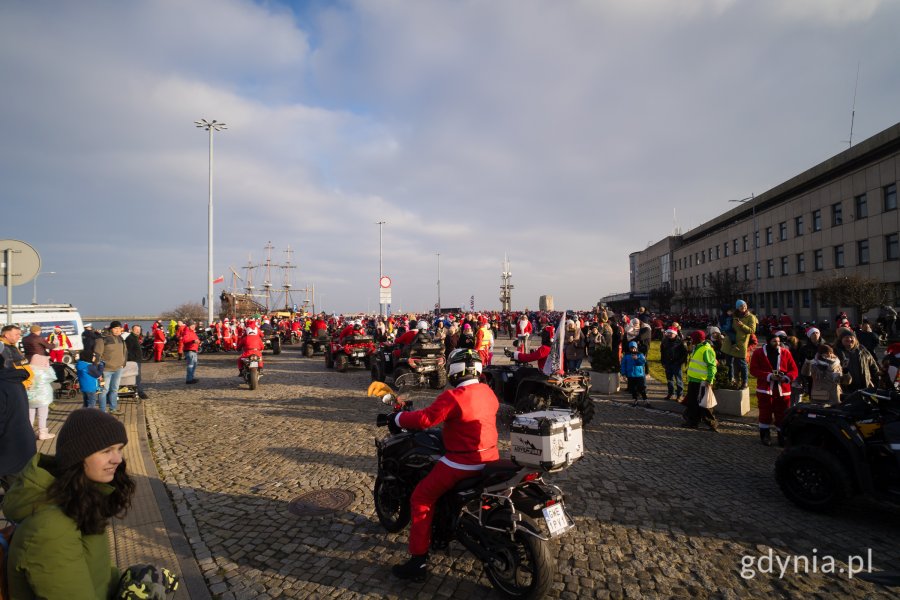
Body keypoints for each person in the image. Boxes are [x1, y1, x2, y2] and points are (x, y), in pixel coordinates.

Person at [387, 349, 499, 580]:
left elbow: (425, 419)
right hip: (490, 458)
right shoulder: (488, 391)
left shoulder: (454, 397)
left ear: (454, 371)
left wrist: (397, 418)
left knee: (420, 498)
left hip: (462, 462)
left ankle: (418, 561)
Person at [4, 408, 135, 597]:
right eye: (106, 450)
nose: (117, 459)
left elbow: (98, 571)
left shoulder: (82, 500)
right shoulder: (50, 528)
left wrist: (127, 581)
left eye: (119, 448)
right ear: (77, 456)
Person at [1, 324, 37, 488]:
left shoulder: (4, 385)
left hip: (11, 451)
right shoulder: (14, 382)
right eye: (15, 334)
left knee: (16, 495)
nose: (18, 337)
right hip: (23, 446)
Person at [749, 332, 799, 447]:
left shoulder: (785, 353)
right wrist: (768, 376)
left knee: (782, 414)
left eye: (778, 341)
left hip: (783, 389)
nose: (777, 343)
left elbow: (794, 370)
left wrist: (786, 377)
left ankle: (782, 436)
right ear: (768, 342)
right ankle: (765, 435)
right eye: (774, 341)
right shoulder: (759, 353)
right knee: (765, 412)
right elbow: (753, 370)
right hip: (765, 389)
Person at [682, 330, 718, 431]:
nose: (691, 340)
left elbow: (712, 366)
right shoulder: (697, 348)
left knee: (704, 405)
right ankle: (693, 422)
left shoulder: (706, 349)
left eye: (693, 338)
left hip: (702, 381)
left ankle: (712, 423)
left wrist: (710, 380)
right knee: (692, 403)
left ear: (697, 339)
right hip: (693, 380)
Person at [93, 321, 127, 416]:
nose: (117, 330)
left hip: (118, 368)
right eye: (115, 328)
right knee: (104, 390)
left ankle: (113, 408)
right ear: (111, 329)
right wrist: (97, 369)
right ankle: (102, 411)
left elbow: (125, 352)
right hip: (105, 370)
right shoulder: (102, 339)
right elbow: (97, 354)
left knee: (114, 389)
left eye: (119, 328)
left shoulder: (121, 339)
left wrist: (123, 363)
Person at [834, 330, 880, 394]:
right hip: (844, 389)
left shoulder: (863, 351)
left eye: (851, 337)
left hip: (864, 387)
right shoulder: (835, 352)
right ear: (841, 340)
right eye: (846, 338)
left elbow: (873, 367)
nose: (849, 339)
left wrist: (876, 383)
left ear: (855, 339)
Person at [725, 299, 758, 389]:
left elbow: (752, 330)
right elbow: (730, 328)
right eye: (740, 306)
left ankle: (745, 382)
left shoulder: (751, 317)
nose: (743, 307)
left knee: (742, 364)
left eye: (744, 305)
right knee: (730, 363)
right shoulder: (735, 316)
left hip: (742, 343)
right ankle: (733, 381)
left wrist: (742, 325)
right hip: (733, 343)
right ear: (737, 308)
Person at [27, 353, 57, 440]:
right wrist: (49, 367)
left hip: (30, 398)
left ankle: (28, 433)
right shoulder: (45, 372)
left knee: (30, 416)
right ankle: (42, 433)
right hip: (43, 398)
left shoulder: (28, 371)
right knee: (42, 415)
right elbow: (53, 377)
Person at [660, 328, 687, 401]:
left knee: (678, 380)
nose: (669, 335)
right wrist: (663, 362)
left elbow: (684, 354)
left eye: (671, 333)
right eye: (668, 333)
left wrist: (679, 362)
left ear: (675, 334)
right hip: (667, 364)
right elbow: (662, 353)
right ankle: (671, 393)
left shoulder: (680, 342)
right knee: (669, 380)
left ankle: (679, 395)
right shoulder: (664, 341)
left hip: (676, 364)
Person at [124, 324, 149, 399]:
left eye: (139, 330)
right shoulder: (130, 338)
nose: (138, 331)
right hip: (134, 361)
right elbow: (128, 350)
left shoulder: (134, 337)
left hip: (136, 360)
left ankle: (135, 391)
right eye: (136, 329)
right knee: (137, 377)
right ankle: (140, 392)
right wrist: (132, 359)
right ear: (132, 330)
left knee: (137, 377)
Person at [620, 341, 648, 406]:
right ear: (629, 348)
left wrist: (637, 359)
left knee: (641, 388)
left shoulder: (640, 354)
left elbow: (643, 363)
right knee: (633, 388)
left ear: (636, 348)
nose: (633, 350)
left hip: (639, 375)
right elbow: (623, 365)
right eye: (631, 348)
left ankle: (645, 399)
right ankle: (635, 400)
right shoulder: (626, 356)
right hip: (630, 375)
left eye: (634, 348)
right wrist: (623, 374)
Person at [181, 320, 201, 384]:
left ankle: (191, 378)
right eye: (192, 325)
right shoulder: (187, 332)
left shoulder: (192, 332)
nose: (194, 327)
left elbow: (195, 339)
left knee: (194, 365)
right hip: (190, 350)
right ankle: (189, 379)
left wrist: (198, 342)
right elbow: (185, 340)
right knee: (191, 365)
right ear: (189, 326)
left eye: (194, 325)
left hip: (193, 350)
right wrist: (193, 341)